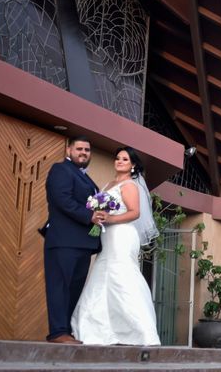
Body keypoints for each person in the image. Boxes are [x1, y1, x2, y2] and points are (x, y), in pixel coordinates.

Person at [71, 146, 161, 346]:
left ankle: (141, 331)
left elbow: (134, 212)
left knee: (121, 275)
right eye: (118, 158)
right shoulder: (110, 184)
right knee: (103, 274)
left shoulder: (129, 185)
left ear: (133, 165)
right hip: (107, 235)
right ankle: (97, 329)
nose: (119, 161)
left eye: (125, 159)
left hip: (122, 235)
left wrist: (110, 218)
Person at [44, 136, 101, 344]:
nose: (83, 153)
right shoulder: (60, 170)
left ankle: (66, 330)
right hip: (64, 241)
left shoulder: (87, 178)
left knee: (74, 288)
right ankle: (58, 332)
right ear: (69, 150)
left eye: (87, 150)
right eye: (79, 149)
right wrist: (90, 216)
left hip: (83, 244)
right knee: (59, 286)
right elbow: (62, 200)